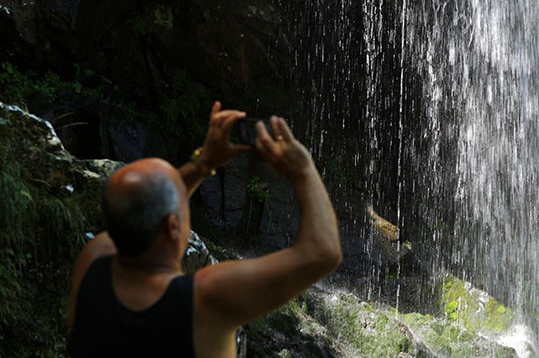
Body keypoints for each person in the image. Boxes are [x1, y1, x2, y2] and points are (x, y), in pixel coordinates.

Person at [66, 102, 342, 357]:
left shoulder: (93, 261)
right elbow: (323, 252)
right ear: (172, 226)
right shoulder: (206, 299)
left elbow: (144, 206)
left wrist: (205, 162)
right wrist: (303, 170)